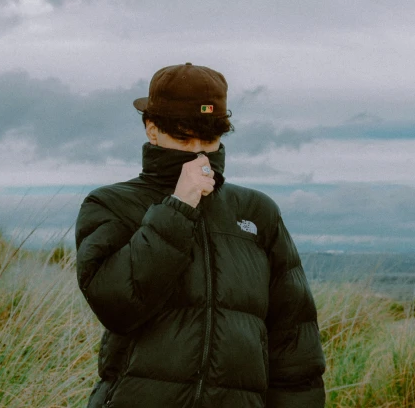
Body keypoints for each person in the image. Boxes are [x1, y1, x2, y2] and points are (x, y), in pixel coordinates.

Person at [75, 63, 325, 408]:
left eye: (208, 138)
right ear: (152, 130)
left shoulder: (257, 211)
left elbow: (295, 343)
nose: (198, 152)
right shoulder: (112, 204)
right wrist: (178, 207)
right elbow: (117, 306)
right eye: (182, 137)